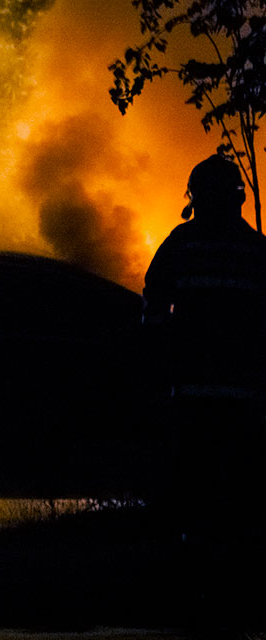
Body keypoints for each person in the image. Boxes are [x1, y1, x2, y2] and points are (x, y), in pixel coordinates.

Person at [142, 153, 266, 629]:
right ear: (238, 197)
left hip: (192, 396)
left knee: (193, 497)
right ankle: (239, 592)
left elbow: (153, 310)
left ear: (193, 200)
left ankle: (193, 592)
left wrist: (159, 369)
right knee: (239, 497)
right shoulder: (256, 251)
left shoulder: (181, 246)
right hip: (245, 400)